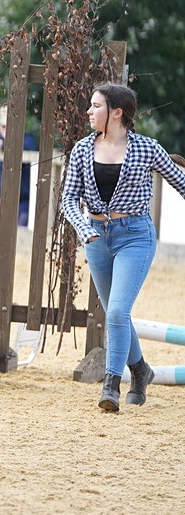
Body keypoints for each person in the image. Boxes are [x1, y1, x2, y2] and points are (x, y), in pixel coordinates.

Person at [60, 82, 185, 412]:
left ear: (116, 112)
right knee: (118, 314)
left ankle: (111, 385)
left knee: (116, 311)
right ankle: (141, 371)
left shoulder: (148, 149)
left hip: (135, 236)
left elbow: (182, 183)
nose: (88, 111)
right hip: (96, 238)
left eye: (95, 106)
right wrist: (85, 228)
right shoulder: (81, 149)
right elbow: (69, 199)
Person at [0, 107, 38, 227]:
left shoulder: (28, 139)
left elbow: (26, 146)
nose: (6, 130)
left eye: (9, 126)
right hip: (1, 201)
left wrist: (4, 146)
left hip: (23, 201)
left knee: (20, 237)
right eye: (3, 127)